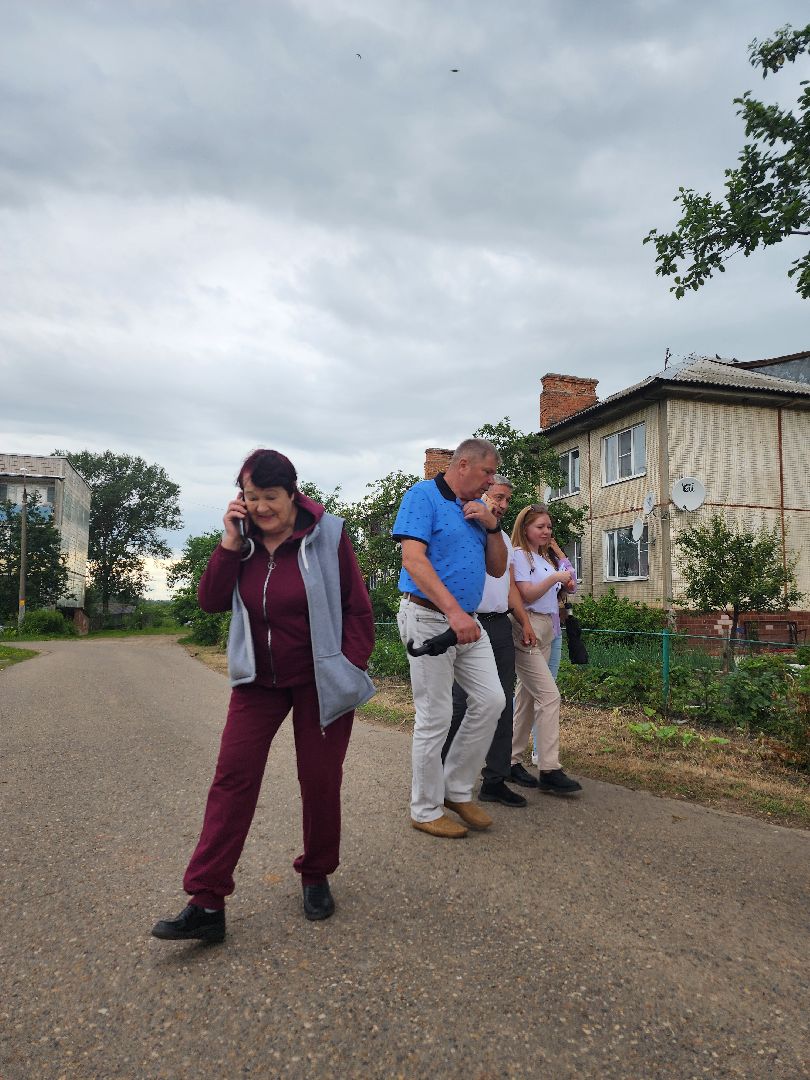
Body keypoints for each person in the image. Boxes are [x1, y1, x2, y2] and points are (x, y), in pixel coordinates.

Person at [152, 449, 375, 943]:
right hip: (258, 683)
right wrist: (229, 543)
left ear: (292, 493)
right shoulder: (243, 541)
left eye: (269, 497)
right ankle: (207, 901)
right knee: (232, 778)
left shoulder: (330, 535)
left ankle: (316, 874)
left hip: (320, 682)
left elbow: (357, 610)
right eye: (250, 498)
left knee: (319, 781)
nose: (260, 508)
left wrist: (348, 664)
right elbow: (210, 601)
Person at [393, 438, 508, 838]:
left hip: (467, 622)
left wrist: (493, 526)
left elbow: (496, 570)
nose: (491, 482)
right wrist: (454, 613)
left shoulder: (477, 510)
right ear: (463, 465)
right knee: (435, 715)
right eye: (487, 473)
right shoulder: (422, 497)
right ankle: (424, 809)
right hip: (427, 618)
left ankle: (455, 790)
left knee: (492, 699)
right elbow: (413, 560)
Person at [441, 475, 536, 807]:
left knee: (503, 702)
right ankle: (441, 776)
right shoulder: (464, 530)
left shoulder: (503, 540)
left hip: (499, 625)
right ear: (482, 494)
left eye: (508, 500)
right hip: (469, 622)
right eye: (498, 497)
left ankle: (494, 779)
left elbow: (508, 586)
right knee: (461, 703)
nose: (503, 505)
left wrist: (523, 621)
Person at [508, 504, 583, 795]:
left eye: (549, 527)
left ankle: (511, 760)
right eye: (540, 526)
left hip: (546, 628)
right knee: (550, 696)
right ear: (525, 527)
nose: (546, 531)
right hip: (527, 627)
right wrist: (554, 578)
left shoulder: (542, 558)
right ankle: (549, 768)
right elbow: (526, 594)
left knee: (526, 696)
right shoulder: (519, 555)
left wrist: (560, 575)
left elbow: (568, 586)